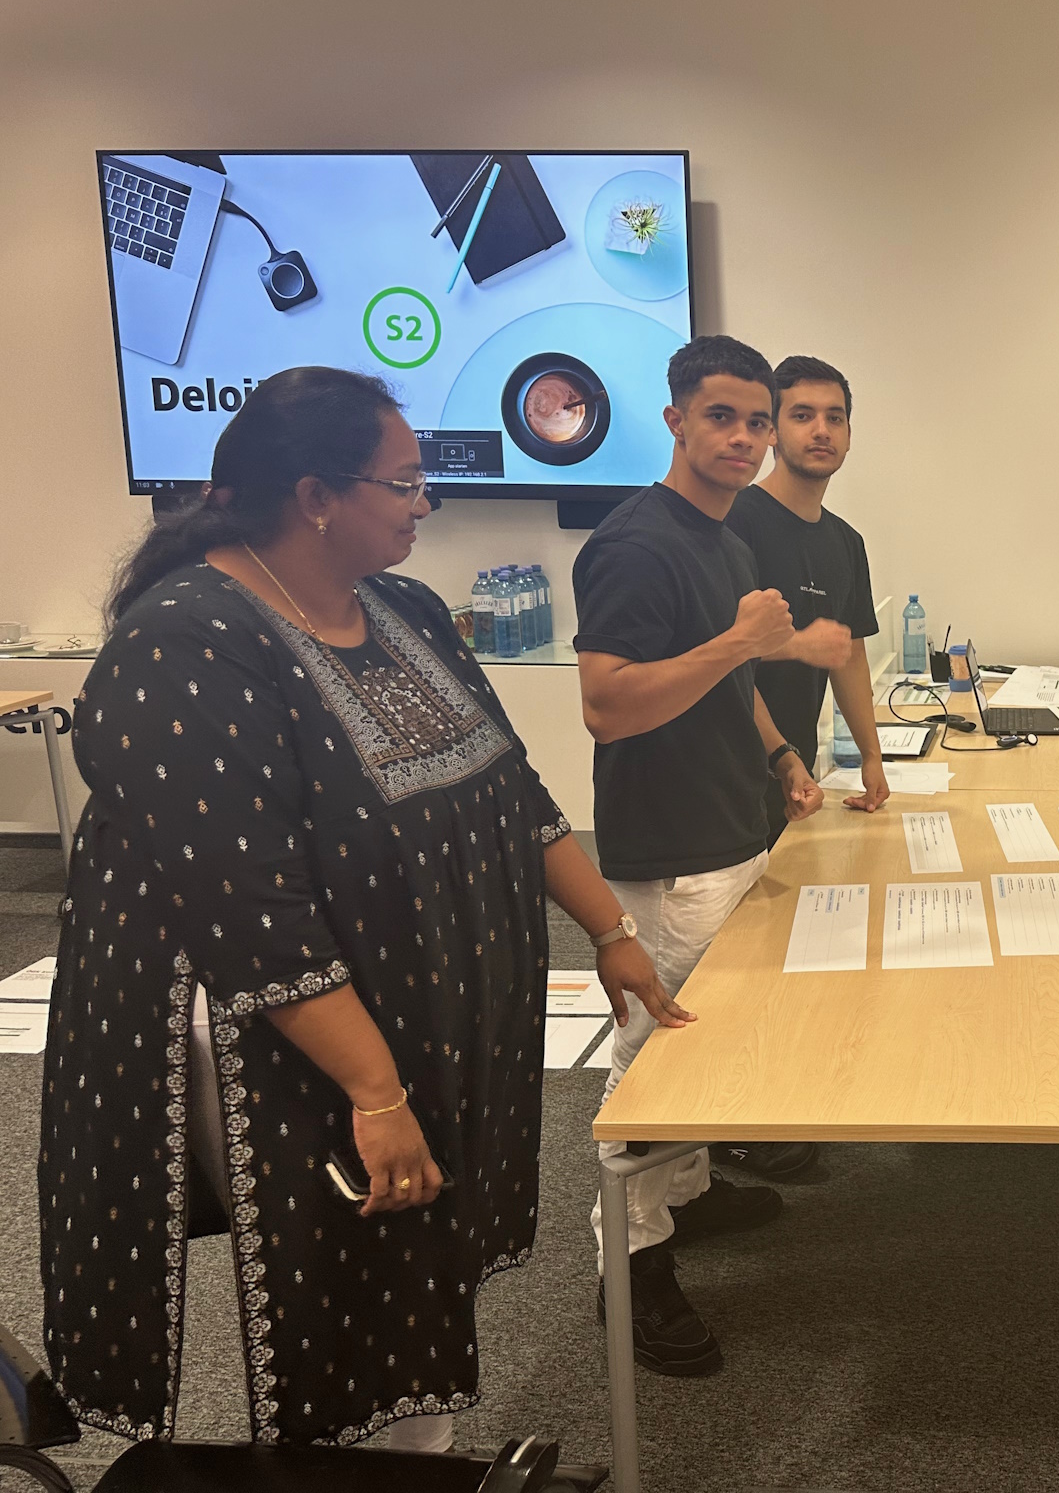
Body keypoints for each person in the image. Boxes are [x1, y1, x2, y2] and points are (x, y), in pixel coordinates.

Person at [39, 367, 685, 1449]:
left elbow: (516, 791)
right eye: (404, 482)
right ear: (315, 498)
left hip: (417, 1012)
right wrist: (376, 1092)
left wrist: (610, 931)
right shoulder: (186, 640)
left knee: (414, 1264)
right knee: (341, 1280)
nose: (425, 503)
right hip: (285, 1041)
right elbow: (252, 910)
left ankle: (408, 1456)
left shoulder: (404, 608)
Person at [573, 334, 827, 1376]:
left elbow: (733, 681)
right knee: (655, 1062)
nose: (744, 438)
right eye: (722, 417)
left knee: (711, 1044)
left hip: (731, 825)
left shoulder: (727, 542)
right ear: (676, 419)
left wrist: (780, 754)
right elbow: (606, 706)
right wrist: (739, 642)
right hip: (669, 851)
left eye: (757, 422)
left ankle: (687, 1191)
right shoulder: (635, 545)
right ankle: (628, 1268)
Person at [721, 354, 884, 1180]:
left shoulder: (844, 541)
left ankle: (766, 1096)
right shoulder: (737, 526)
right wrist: (778, 753)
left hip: (796, 767)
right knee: (731, 952)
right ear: (773, 430)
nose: (821, 431)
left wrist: (873, 758)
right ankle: (727, 1126)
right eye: (802, 415)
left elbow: (847, 654)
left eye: (835, 416)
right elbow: (728, 661)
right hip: (732, 767)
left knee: (782, 937)